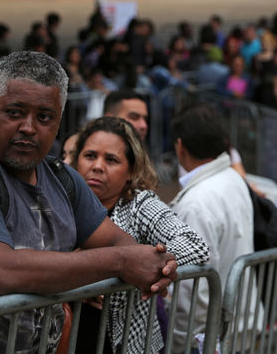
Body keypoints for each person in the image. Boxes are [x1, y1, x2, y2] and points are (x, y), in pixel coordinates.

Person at [0, 51, 178, 353]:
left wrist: (150, 262)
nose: (29, 127)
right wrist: (120, 263)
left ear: (59, 121)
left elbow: (115, 239)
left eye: (44, 117)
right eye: (15, 112)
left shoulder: (61, 177)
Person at [71, 117, 209, 354]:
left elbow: (194, 244)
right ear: (76, 160)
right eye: (90, 156)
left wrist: (148, 267)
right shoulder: (58, 201)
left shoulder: (139, 205)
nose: (97, 166)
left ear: (131, 171)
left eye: (111, 159)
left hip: (127, 344)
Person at [168, 104, 258, 352]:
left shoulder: (195, 203)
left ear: (180, 146)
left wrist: (181, 345)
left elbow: (192, 293)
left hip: (209, 340)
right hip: (234, 329)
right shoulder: (233, 179)